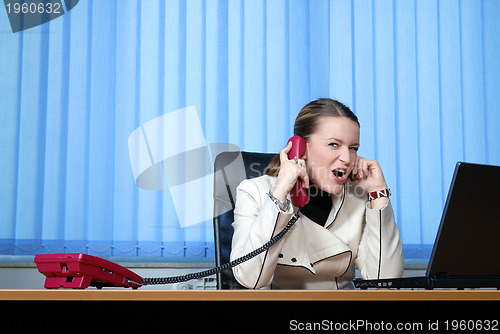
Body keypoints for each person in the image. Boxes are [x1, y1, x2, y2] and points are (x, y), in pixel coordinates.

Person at [230, 98, 403, 289]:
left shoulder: (357, 198)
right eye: (334, 145)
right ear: (300, 148)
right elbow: (251, 279)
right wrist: (280, 195)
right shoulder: (253, 192)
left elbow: (385, 281)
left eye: (353, 148)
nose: (347, 158)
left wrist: (378, 194)